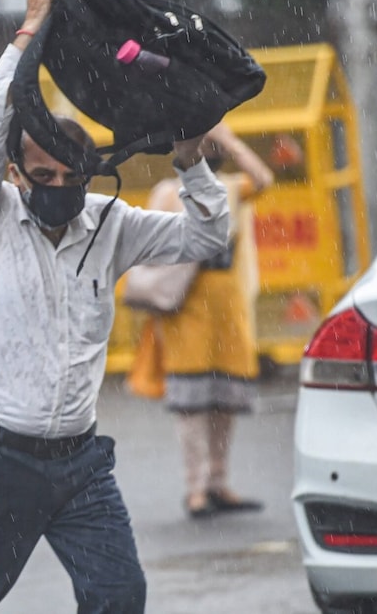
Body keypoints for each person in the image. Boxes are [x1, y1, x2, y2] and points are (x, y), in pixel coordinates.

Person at [0, 0, 231, 614]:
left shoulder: (108, 224)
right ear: (16, 173)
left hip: (78, 464)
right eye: (43, 176)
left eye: (71, 177)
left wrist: (191, 161)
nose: (58, 189)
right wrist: (30, 29)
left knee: (119, 594)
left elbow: (206, 238)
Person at [132, 122, 274, 519]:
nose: (209, 147)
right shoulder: (167, 192)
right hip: (185, 310)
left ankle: (218, 481)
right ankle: (195, 489)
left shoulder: (231, 187)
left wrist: (229, 136)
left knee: (224, 403)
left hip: (228, 309)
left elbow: (263, 178)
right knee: (191, 406)